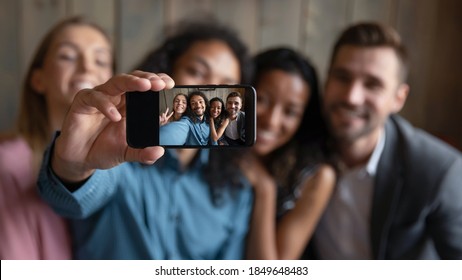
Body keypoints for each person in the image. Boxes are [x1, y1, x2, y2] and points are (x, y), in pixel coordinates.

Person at [37, 19, 256, 259]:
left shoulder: (237, 190)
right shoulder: (119, 152)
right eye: (196, 71)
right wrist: (76, 166)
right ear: (168, 71)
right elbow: (72, 202)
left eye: (225, 84)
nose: (206, 87)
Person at [309, 22, 462, 259]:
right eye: (342, 77)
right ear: (327, 80)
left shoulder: (438, 170)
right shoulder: (299, 144)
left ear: (398, 98)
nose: (352, 97)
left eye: (373, 84)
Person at [0, 16, 114, 259]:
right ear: (38, 80)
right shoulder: (7, 164)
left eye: (101, 60)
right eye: (68, 56)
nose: (87, 68)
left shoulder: (121, 167)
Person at [241, 47, 335, 259]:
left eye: (290, 112)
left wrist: (265, 190)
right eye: (262, 100)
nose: (272, 121)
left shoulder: (315, 177)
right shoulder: (213, 146)